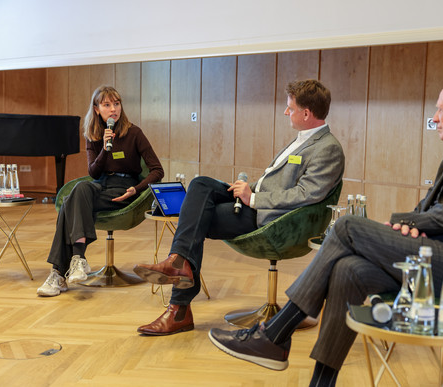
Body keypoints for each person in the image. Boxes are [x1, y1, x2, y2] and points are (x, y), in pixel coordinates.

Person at [208, 76, 443, 386]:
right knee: (348, 269)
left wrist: (402, 225)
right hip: (439, 257)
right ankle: (321, 381)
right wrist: (402, 227)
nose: (435, 118)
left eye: (440, 108)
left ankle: (275, 334)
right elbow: (429, 213)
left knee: (348, 225)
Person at [133, 79, 345, 336]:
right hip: (255, 203)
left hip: (274, 220)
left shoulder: (328, 148)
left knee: (196, 219)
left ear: (306, 113)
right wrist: (247, 188)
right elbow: (273, 181)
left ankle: (179, 304)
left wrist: (253, 199)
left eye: (290, 107)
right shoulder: (302, 140)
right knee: (200, 185)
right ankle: (179, 266)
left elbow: (306, 194)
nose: (286, 112)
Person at [37, 85, 164, 297]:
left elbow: (157, 170)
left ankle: (60, 273)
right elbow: (94, 173)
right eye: (107, 105)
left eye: (116, 103)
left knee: (70, 202)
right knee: (80, 190)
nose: (113, 109)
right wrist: (105, 148)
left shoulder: (134, 133)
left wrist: (136, 189)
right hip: (101, 185)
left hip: (125, 189)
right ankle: (75, 262)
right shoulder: (93, 135)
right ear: (97, 109)